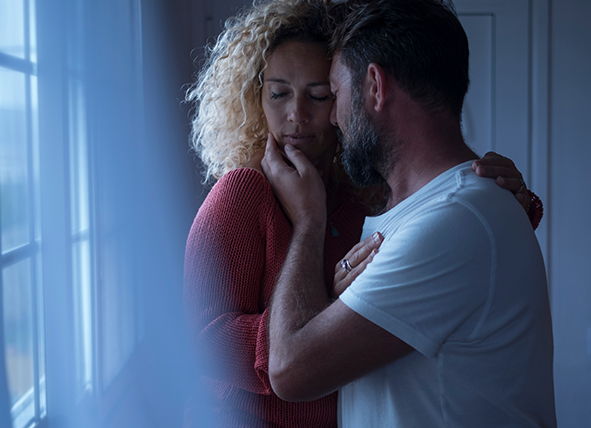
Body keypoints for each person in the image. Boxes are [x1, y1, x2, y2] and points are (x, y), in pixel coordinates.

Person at [184, 0, 543, 427]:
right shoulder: (243, 192)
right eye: (278, 94)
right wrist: (321, 313)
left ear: (366, 89)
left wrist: (511, 201)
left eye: (323, 95)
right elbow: (197, 340)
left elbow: (445, 242)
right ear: (254, 98)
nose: (298, 115)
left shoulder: (364, 199)